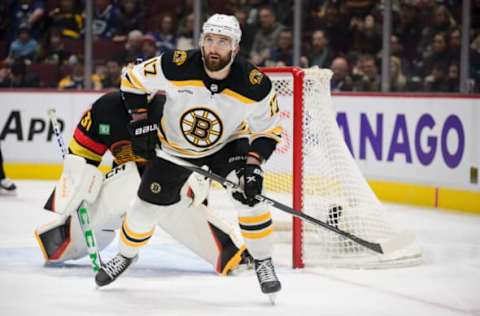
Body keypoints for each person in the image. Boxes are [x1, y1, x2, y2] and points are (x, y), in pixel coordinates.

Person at [95, 14, 283, 299]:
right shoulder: (175, 64)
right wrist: (141, 120)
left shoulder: (254, 85)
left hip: (228, 145)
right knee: (144, 209)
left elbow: (269, 130)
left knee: (249, 197)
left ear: (235, 48)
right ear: (201, 42)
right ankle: (126, 255)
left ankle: (264, 261)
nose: (214, 47)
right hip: (174, 148)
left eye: (222, 41)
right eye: (209, 40)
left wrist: (253, 167)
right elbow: (132, 80)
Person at [35, 90, 252, 275]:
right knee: (128, 181)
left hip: (176, 179)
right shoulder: (104, 109)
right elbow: (82, 156)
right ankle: (63, 239)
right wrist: (78, 179)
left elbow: (206, 152)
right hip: (127, 182)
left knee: (170, 201)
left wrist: (205, 176)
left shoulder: (174, 107)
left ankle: (227, 251)